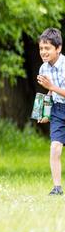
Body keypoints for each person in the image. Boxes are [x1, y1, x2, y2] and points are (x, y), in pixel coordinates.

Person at [35, 27, 65, 196]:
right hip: (58, 110)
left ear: (58, 48)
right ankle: (57, 188)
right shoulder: (43, 69)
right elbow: (50, 92)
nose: (43, 52)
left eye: (47, 48)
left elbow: (52, 88)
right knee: (55, 147)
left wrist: (51, 87)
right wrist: (45, 114)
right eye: (41, 48)